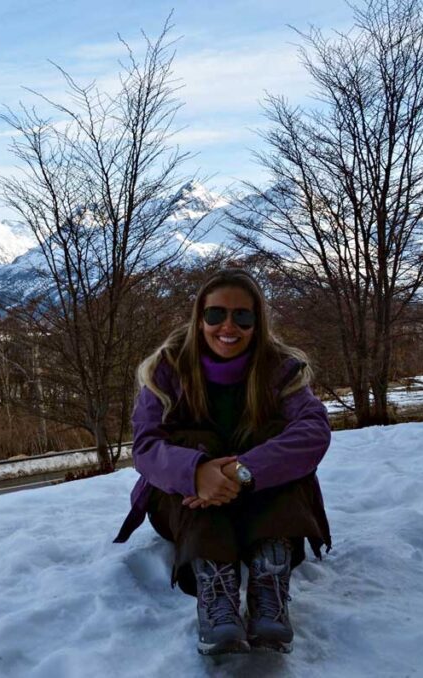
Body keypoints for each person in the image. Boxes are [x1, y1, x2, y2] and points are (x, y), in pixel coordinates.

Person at [113, 268, 333, 656]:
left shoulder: (281, 369)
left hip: (261, 492)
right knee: (195, 442)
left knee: (275, 440)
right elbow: (146, 446)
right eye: (216, 314)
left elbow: (313, 430)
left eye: (242, 316)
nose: (227, 326)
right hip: (184, 504)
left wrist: (242, 471)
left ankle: (269, 581)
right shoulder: (166, 369)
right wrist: (197, 472)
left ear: (257, 321)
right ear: (200, 318)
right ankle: (215, 591)